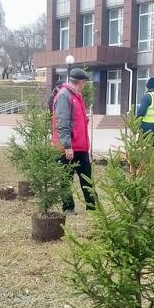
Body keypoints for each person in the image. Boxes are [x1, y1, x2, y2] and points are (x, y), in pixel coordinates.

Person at [52, 67, 95, 213]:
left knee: (87, 178)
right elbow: (62, 122)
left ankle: (92, 207)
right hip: (69, 147)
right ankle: (68, 208)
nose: (85, 85)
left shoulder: (77, 96)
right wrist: (67, 146)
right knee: (65, 179)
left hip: (80, 147)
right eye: (84, 83)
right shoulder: (64, 95)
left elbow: (75, 120)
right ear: (80, 81)